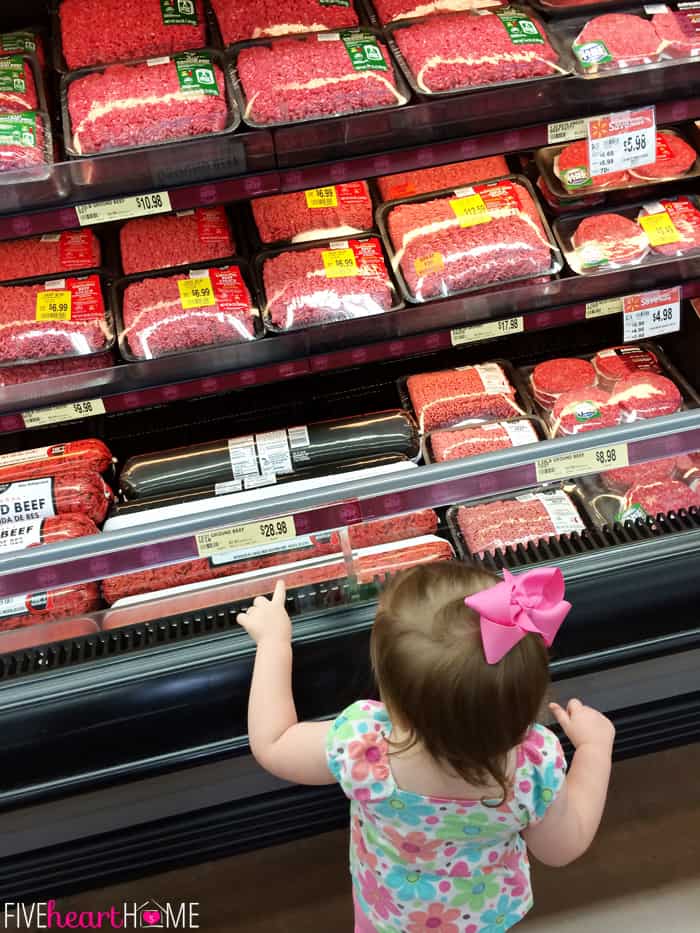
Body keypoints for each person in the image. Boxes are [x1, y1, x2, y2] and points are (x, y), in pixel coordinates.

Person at [237, 562, 615, 932]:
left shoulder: (363, 744)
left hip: (388, 913)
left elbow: (274, 742)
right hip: (482, 918)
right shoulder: (533, 766)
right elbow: (561, 849)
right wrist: (595, 748)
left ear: (389, 693)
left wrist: (274, 643)